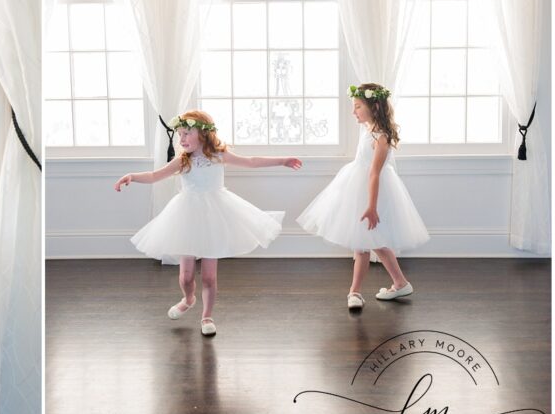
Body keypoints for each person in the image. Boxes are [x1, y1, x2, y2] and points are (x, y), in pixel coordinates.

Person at [115, 110, 301, 336]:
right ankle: (188, 298)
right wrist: (132, 176)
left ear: (203, 134)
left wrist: (282, 160)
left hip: (215, 215)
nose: (181, 139)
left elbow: (251, 161)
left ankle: (207, 315)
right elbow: (155, 175)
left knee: (209, 277)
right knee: (185, 276)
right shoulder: (183, 160)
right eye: (180, 135)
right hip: (187, 215)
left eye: (186, 134)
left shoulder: (218, 155)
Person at [297, 84, 429, 309]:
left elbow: (374, 174)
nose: (353, 111)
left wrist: (372, 207)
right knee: (369, 243)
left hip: (371, 192)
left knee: (367, 243)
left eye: (358, 106)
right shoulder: (367, 129)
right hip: (357, 186)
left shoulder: (381, 138)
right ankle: (394, 283)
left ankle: (359, 292)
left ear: (374, 107)